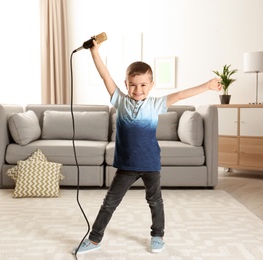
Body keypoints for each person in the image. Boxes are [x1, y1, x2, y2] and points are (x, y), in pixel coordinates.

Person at [73, 39, 221, 255]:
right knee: (109, 203)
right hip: (126, 165)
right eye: (132, 84)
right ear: (126, 84)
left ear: (151, 85)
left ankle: (158, 236)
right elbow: (105, 76)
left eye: (143, 85)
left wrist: (207, 86)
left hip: (151, 163)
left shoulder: (155, 104)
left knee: (155, 201)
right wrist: (94, 52)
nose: (137, 89)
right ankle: (95, 239)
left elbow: (180, 95)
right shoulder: (120, 102)